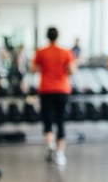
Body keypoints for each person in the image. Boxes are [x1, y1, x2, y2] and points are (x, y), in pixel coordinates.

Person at [31, 27, 76, 166]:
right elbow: (72, 71)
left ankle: (50, 145)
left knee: (48, 119)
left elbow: (33, 69)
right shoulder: (66, 52)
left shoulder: (41, 52)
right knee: (60, 120)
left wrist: (44, 69)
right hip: (62, 89)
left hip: (46, 89)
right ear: (57, 36)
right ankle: (60, 154)